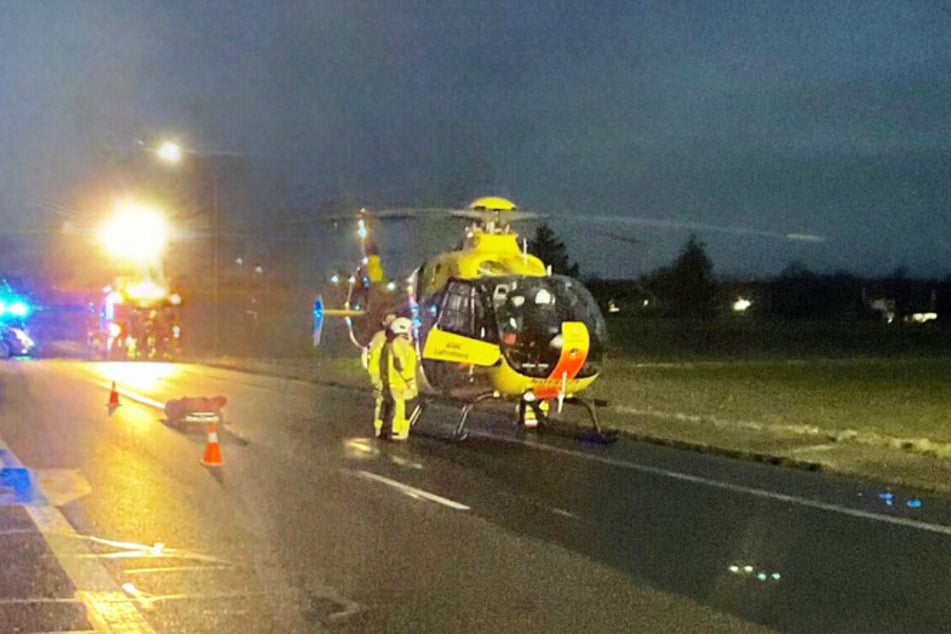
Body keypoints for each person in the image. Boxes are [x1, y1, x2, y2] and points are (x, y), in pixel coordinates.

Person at [378, 316, 418, 441]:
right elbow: (401, 364)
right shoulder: (400, 343)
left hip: (390, 382)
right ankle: (396, 430)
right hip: (398, 382)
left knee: (389, 406)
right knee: (398, 407)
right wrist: (409, 381)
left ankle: (385, 429)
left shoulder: (389, 343)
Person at [366, 312, 398, 437]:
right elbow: (374, 358)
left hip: (391, 377)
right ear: (383, 323)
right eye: (389, 321)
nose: (391, 324)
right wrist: (374, 376)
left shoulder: (395, 339)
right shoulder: (379, 338)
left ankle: (388, 427)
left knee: (393, 403)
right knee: (381, 402)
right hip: (380, 376)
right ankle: (379, 427)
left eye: (394, 321)